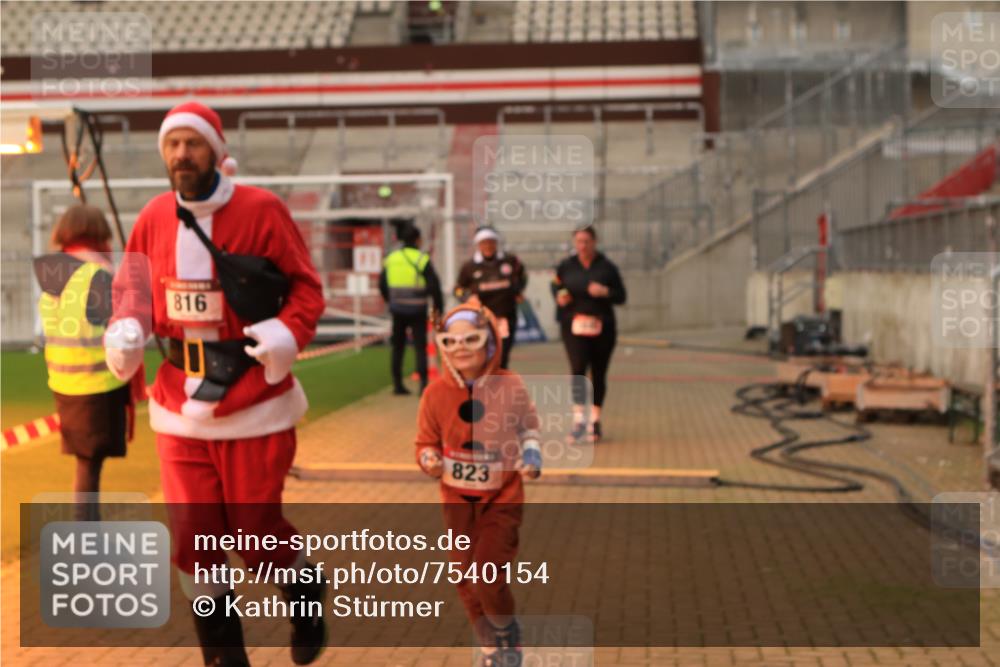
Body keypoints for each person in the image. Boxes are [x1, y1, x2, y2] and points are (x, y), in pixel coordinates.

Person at [103, 101, 327, 667]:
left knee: (254, 535)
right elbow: (132, 290)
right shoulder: (153, 216)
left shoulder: (263, 209)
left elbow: (306, 288)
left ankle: (304, 591)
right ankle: (224, 659)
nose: (182, 154)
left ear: (217, 150)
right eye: (173, 145)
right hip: (179, 402)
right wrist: (127, 326)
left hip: (254, 399)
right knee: (194, 542)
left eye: (193, 143)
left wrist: (286, 332)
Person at [415, 303, 542, 667]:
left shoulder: (510, 385)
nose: (460, 348)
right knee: (463, 577)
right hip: (456, 501)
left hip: (502, 497)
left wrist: (532, 456)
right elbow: (424, 443)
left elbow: (528, 428)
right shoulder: (434, 395)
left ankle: (507, 635)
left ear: (489, 343)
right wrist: (430, 461)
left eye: (470, 339)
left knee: (487, 574)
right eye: (450, 341)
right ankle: (490, 646)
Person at [33, 205, 141, 521]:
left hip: (65, 380)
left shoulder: (52, 274)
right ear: (97, 233)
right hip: (97, 383)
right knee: (89, 466)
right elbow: (116, 327)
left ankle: (89, 527)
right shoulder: (97, 274)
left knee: (87, 463)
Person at [551, 226, 627, 444]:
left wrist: (605, 292)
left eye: (586, 241)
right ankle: (578, 421)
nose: (582, 246)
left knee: (598, 373)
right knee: (578, 371)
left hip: (602, 326)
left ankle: (595, 421)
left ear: (594, 242)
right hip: (574, 326)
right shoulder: (566, 266)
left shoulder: (607, 267)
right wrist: (560, 295)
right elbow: (555, 285)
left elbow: (621, 296)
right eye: (579, 241)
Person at [378, 222, 444, 395]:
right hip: (417, 309)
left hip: (397, 309)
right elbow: (434, 286)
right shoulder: (421, 259)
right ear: (417, 239)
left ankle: (397, 385)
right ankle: (423, 385)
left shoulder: (391, 258)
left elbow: (382, 284)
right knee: (420, 347)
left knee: (397, 347)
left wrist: (390, 301)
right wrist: (438, 310)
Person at [454, 226, 527, 370]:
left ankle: (500, 387)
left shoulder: (509, 261)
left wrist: (517, 291)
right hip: (482, 319)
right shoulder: (469, 267)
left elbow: (522, 276)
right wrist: (467, 298)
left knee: (502, 355)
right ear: (478, 245)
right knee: (483, 356)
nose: (488, 246)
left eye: (491, 242)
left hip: (505, 317)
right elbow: (457, 290)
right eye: (484, 243)